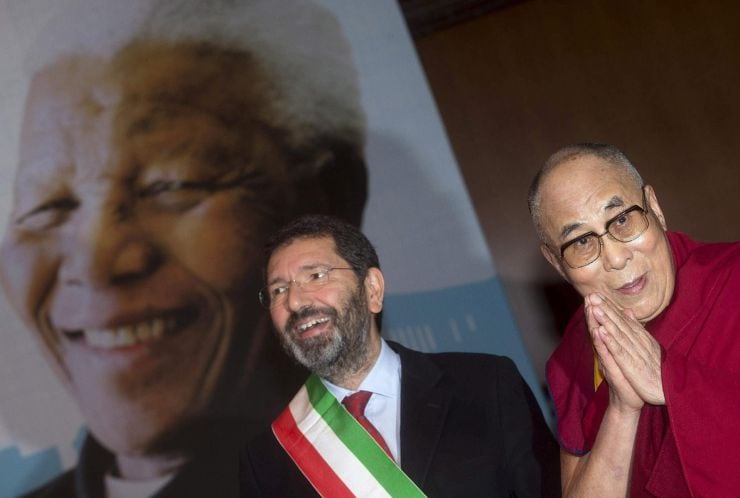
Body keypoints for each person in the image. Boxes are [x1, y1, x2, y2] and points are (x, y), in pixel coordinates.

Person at [0, 1, 367, 496]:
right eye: (48, 205)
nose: (96, 261)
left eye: (172, 185)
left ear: (330, 200)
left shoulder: (418, 458)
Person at [239, 214, 560, 497]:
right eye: (278, 290)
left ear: (372, 290)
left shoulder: (486, 385)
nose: (294, 301)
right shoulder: (271, 456)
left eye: (316, 275)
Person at [528, 143, 740, 497]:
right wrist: (622, 409)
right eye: (581, 241)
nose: (614, 256)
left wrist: (669, 380)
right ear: (556, 263)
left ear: (654, 207)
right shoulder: (576, 357)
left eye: (622, 220)